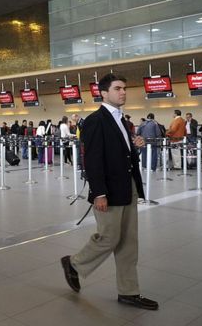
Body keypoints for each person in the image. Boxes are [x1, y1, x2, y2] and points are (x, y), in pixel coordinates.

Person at [61, 73, 158, 311]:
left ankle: (129, 291)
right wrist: (99, 193)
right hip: (109, 189)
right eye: (117, 88)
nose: (123, 92)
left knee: (128, 242)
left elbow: (121, 154)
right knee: (109, 237)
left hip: (129, 186)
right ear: (103, 93)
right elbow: (92, 159)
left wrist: (136, 146)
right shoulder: (95, 120)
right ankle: (74, 264)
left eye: (124, 88)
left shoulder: (122, 120)